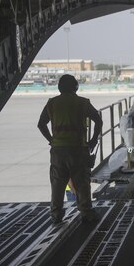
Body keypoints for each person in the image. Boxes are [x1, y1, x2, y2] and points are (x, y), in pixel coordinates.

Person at [37, 74, 102, 224]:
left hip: (58, 151)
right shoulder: (82, 103)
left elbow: (41, 124)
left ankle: (56, 214)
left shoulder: (52, 103)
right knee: (82, 182)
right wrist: (92, 140)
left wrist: (52, 140)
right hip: (78, 149)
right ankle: (86, 212)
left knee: (57, 183)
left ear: (59, 87)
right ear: (76, 87)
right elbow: (98, 120)